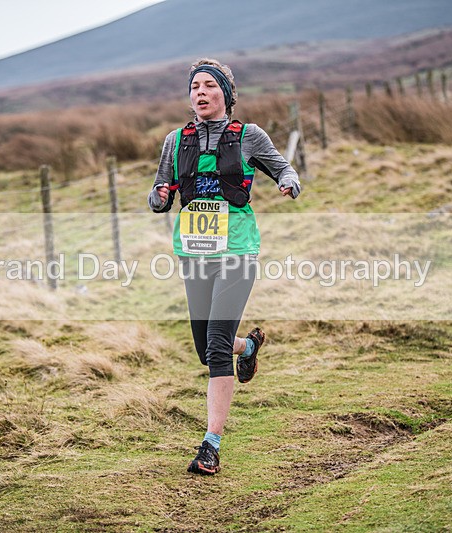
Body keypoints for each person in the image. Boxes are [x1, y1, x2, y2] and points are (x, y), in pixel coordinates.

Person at [148, 58, 301, 475]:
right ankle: (246, 347)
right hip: (194, 253)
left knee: (215, 344)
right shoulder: (175, 140)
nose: (200, 92)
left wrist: (289, 182)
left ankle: (210, 445)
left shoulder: (249, 136)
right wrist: (158, 197)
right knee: (206, 349)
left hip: (237, 251)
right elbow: (160, 190)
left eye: (209, 86)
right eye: (194, 86)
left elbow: (283, 168)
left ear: (226, 95)